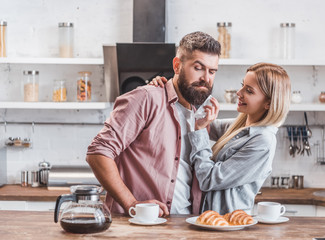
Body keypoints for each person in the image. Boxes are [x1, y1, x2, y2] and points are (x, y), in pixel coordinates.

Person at [86, 31, 221, 216]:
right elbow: (98, 152)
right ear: (177, 65)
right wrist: (132, 204)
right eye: (198, 68)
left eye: (212, 71)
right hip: (138, 225)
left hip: (184, 224)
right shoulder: (146, 98)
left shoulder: (201, 117)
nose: (206, 78)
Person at [151, 62, 291, 215]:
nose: (239, 92)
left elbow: (208, 179)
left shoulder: (263, 142)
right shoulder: (240, 126)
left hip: (227, 224)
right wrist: (167, 89)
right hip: (208, 220)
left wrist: (200, 131)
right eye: (242, 85)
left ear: (268, 103)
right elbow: (196, 121)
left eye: (249, 91)